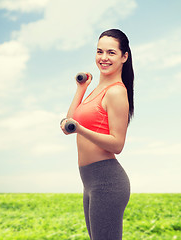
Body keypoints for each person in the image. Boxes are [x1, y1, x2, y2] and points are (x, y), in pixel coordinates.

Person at [60, 29, 134, 240]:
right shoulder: (96, 90)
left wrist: (81, 129)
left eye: (111, 52)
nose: (103, 58)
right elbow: (68, 125)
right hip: (90, 181)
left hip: (107, 181)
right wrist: (81, 88)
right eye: (99, 51)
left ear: (124, 57)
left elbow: (117, 144)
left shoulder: (117, 92)